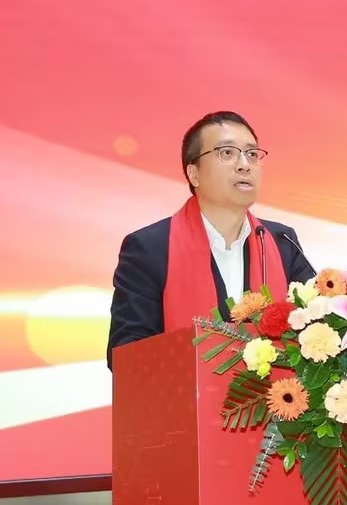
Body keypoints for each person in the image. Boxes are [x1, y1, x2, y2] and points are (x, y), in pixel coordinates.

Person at [106, 111, 317, 366]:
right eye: (227, 153)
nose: (244, 164)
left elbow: (318, 329)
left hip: (277, 392)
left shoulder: (282, 242)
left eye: (252, 154)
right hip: (183, 391)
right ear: (193, 173)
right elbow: (126, 353)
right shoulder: (150, 248)